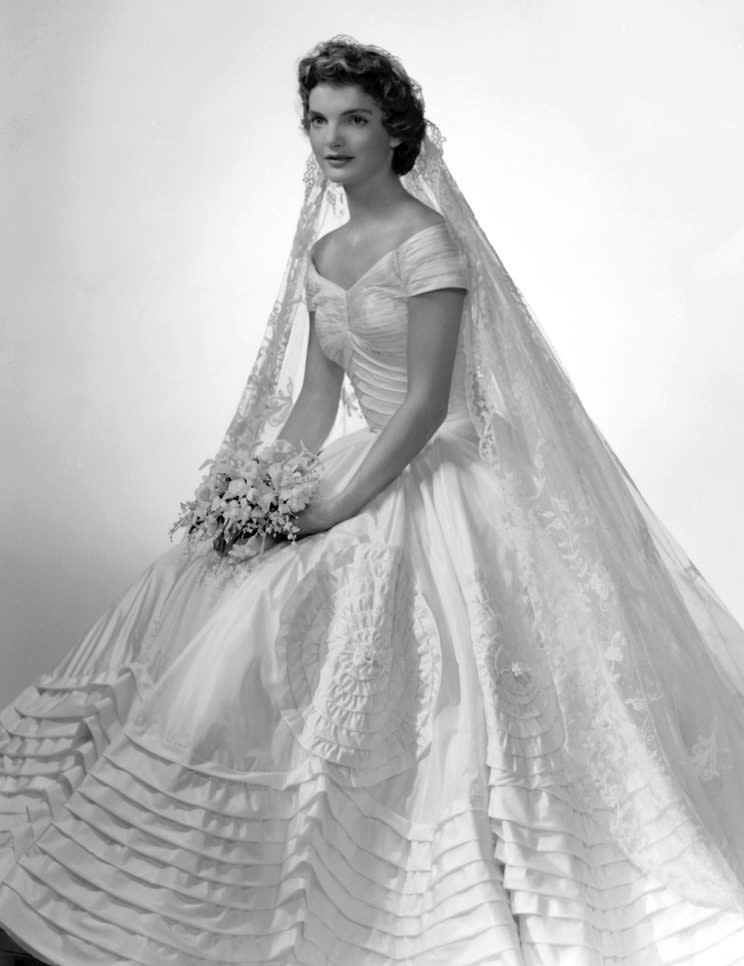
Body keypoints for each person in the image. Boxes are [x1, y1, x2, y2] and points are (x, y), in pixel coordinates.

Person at [1, 34, 744, 966]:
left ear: (396, 131)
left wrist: (336, 507)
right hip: (358, 453)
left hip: (434, 465)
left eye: (354, 118)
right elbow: (316, 400)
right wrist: (261, 491)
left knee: (400, 648)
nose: (332, 138)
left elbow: (428, 403)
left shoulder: (428, 243)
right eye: (318, 120)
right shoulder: (325, 248)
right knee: (217, 590)